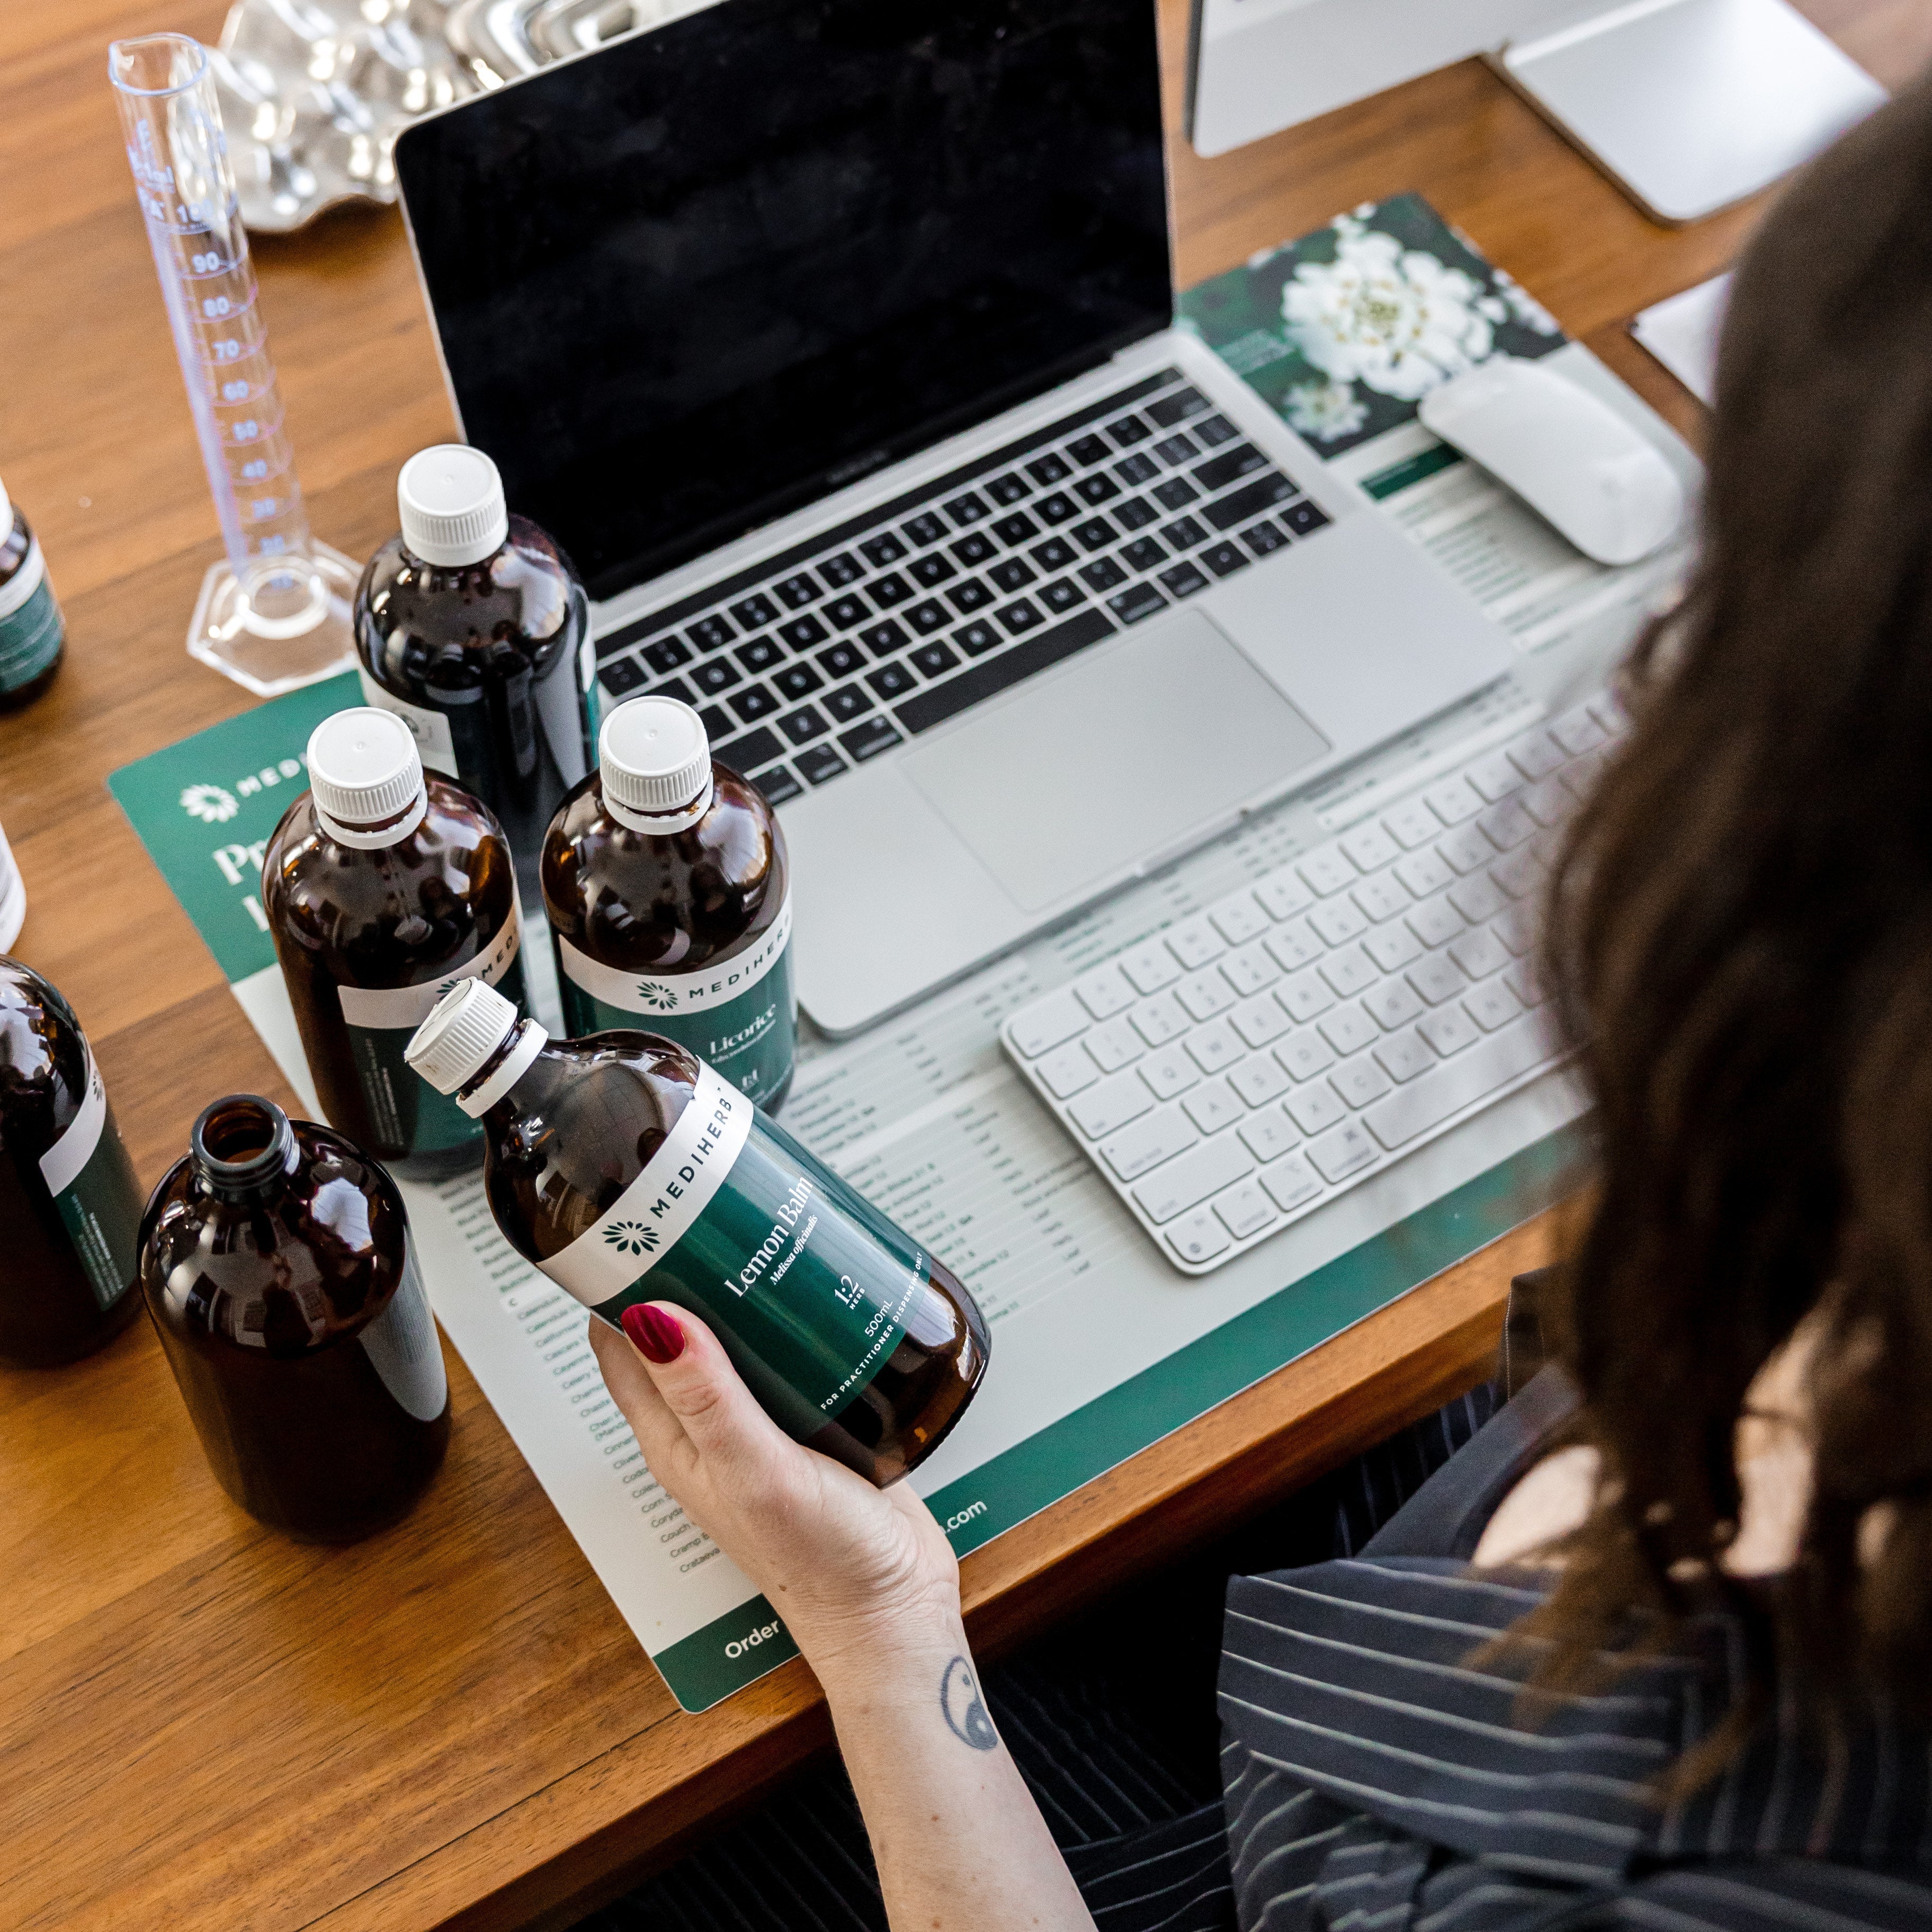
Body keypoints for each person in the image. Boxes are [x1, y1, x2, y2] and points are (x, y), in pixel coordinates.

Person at [584, 66, 1932, 1932]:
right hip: (1430, 1627)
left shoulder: (1639, 1884)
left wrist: (879, 1633)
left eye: (1733, 605)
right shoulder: (1825, 1257)